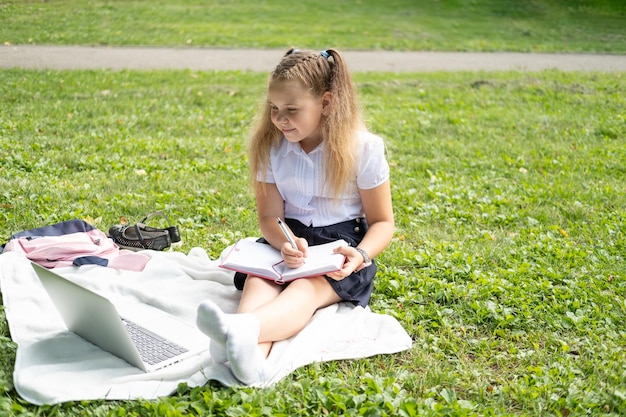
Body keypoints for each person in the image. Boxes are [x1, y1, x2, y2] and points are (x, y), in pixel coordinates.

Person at [196, 48, 394, 385]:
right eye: (274, 109)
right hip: (286, 238)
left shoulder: (364, 148)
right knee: (260, 282)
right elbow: (270, 217)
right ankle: (251, 360)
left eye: (291, 110)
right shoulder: (270, 147)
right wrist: (283, 242)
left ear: (326, 103)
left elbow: (382, 223)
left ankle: (233, 334)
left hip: (340, 248)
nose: (280, 119)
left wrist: (360, 255)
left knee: (303, 289)